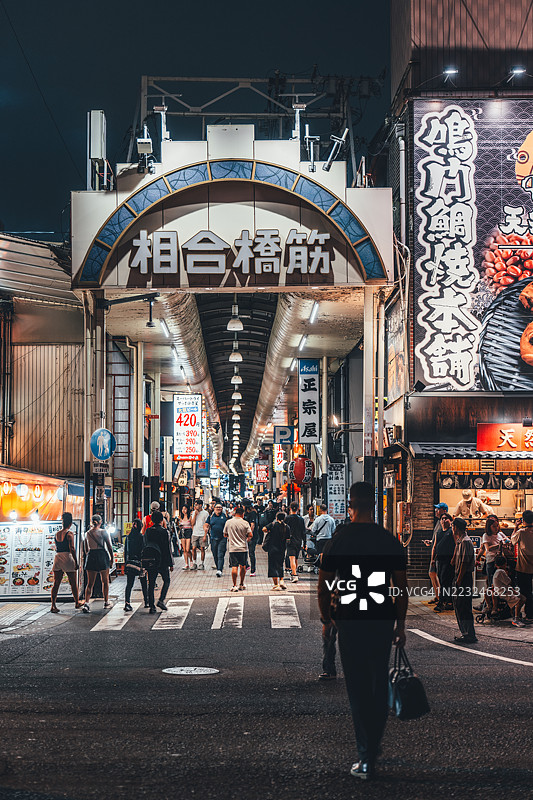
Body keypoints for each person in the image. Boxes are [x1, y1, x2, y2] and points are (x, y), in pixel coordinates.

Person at [318, 482, 408, 780]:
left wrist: (326, 619)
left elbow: (324, 583)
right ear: (374, 503)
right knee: (378, 682)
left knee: (357, 689)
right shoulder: (388, 540)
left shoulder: (339, 540)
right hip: (381, 621)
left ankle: (365, 756)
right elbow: (401, 588)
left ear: (350, 503)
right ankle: (372, 748)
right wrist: (401, 625)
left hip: (350, 621)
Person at [451, 517, 477, 643]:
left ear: (456, 527)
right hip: (460, 576)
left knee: (464, 606)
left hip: (464, 577)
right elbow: (454, 561)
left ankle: (469, 634)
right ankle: (465, 633)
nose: (452, 529)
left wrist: (459, 580)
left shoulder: (466, 541)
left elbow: (464, 563)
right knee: (459, 605)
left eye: (453, 526)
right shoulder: (460, 541)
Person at [50, 512, 83, 613]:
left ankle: (53, 605)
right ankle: (77, 602)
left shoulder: (57, 534)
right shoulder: (69, 534)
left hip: (58, 557)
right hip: (67, 557)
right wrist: (76, 561)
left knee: (56, 583)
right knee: (73, 582)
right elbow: (72, 548)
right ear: (70, 523)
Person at [82, 514, 114, 613]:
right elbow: (109, 546)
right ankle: (106, 601)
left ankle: (86, 603)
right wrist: (111, 558)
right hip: (101, 555)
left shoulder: (87, 533)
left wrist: (89, 556)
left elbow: (86, 549)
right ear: (100, 522)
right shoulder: (103, 532)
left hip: (91, 555)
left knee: (90, 583)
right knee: (105, 581)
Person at [144, 510, 174, 613]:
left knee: (151, 583)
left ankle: (152, 606)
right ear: (162, 520)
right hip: (163, 560)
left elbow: (145, 545)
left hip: (151, 559)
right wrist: (171, 563)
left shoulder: (148, 531)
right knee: (166, 580)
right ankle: (161, 600)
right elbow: (167, 548)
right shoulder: (165, 531)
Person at [224, 505, 252, 591]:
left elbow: (225, 534)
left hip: (233, 548)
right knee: (243, 566)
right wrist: (246, 539)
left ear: (235, 513)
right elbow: (250, 535)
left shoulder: (228, 522)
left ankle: (234, 585)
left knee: (234, 566)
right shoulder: (245, 523)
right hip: (243, 548)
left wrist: (230, 538)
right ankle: (241, 584)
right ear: (242, 514)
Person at [511, 509, 533, 621]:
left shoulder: (521, 532)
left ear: (523, 520)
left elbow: (512, 541)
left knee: (525, 592)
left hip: (523, 567)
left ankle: (528, 614)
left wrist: (516, 527)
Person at [492, 555, 526, 626]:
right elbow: (509, 582)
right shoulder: (501, 572)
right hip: (503, 592)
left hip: (506, 591)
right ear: (505, 564)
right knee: (519, 600)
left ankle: (514, 613)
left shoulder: (497, 571)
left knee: (523, 598)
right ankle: (516, 619)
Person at [424, 502, 448, 604]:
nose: (435, 511)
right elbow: (437, 537)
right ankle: (438, 596)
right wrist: (431, 541)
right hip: (435, 551)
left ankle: (440, 598)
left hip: (439, 553)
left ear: (444, 511)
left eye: (438, 509)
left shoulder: (444, 522)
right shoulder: (439, 522)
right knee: (432, 574)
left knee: (436, 575)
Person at [123, 519, 148, 611]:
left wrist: (126, 563)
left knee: (129, 584)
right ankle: (146, 601)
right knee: (144, 583)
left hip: (130, 564)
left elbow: (126, 552)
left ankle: (127, 602)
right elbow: (144, 550)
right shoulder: (141, 537)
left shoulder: (128, 538)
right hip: (140, 563)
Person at [433, 513, 455, 612]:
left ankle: (442, 602)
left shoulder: (452, 532)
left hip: (448, 560)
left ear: (450, 521)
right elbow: (435, 546)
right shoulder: (439, 532)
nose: (444, 520)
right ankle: (448, 601)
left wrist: (454, 558)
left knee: (446, 581)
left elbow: (456, 546)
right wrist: (432, 559)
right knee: (442, 581)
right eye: (442, 518)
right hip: (439, 560)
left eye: (446, 518)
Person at [481, 516, 511, 587]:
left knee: (501, 582)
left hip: (500, 561)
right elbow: (488, 548)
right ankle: (490, 597)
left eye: (497, 526)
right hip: (491, 561)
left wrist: (507, 541)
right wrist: (499, 545)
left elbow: (508, 540)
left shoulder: (500, 534)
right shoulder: (486, 536)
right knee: (491, 581)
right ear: (489, 527)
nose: (496, 528)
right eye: (494, 526)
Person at [263, 511, 290, 590]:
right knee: (280, 565)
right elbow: (288, 539)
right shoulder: (287, 527)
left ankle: (276, 585)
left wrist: (269, 531)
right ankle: (281, 580)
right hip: (282, 549)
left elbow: (263, 529)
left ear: (276, 517)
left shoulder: (273, 525)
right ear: (284, 518)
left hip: (272, 548)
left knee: (273, 566)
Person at [285, 502, 306, 583]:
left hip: (290, 541)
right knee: (296, 558)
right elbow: (303, 532)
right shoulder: (301, 519)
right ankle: (294, 572)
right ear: (298, 509)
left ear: (290, 508)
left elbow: (285, 529)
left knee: (292, 558)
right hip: (298, 541)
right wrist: (304, 543)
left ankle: (294, 575)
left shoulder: (287, 518)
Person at [206, 502, 228, 577]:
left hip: (223, 538)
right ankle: (218, 567)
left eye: (220, 507)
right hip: (213, 538)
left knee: (220, 554)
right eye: (217, 507)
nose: (219, 509)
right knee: (215, 554)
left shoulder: (225, 516)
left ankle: (219, 570)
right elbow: (206, 524)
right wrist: (205, 530)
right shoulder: (211, 517)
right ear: (214, 509)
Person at [191, 500, 209, 570]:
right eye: (195, 505)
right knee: (193, 548)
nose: (195, 506)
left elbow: (207, 524)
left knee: (202, 548)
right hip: (195, 533)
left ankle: (202, 563)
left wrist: (205, 535)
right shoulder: (193, 513)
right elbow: (192, 523)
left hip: (202, 533)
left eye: (196, 505)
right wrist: (195, 514)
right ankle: (194, 563)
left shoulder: (205, 513)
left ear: (201, 505)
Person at [243, 501, 259, 575]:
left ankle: (253, 570)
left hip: (252, 536)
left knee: (251, 552)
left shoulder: (253, 513)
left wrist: (250, 535)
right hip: (245, 535)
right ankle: (246, 565)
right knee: (244, 551)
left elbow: (252, 525)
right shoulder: (245, 513)